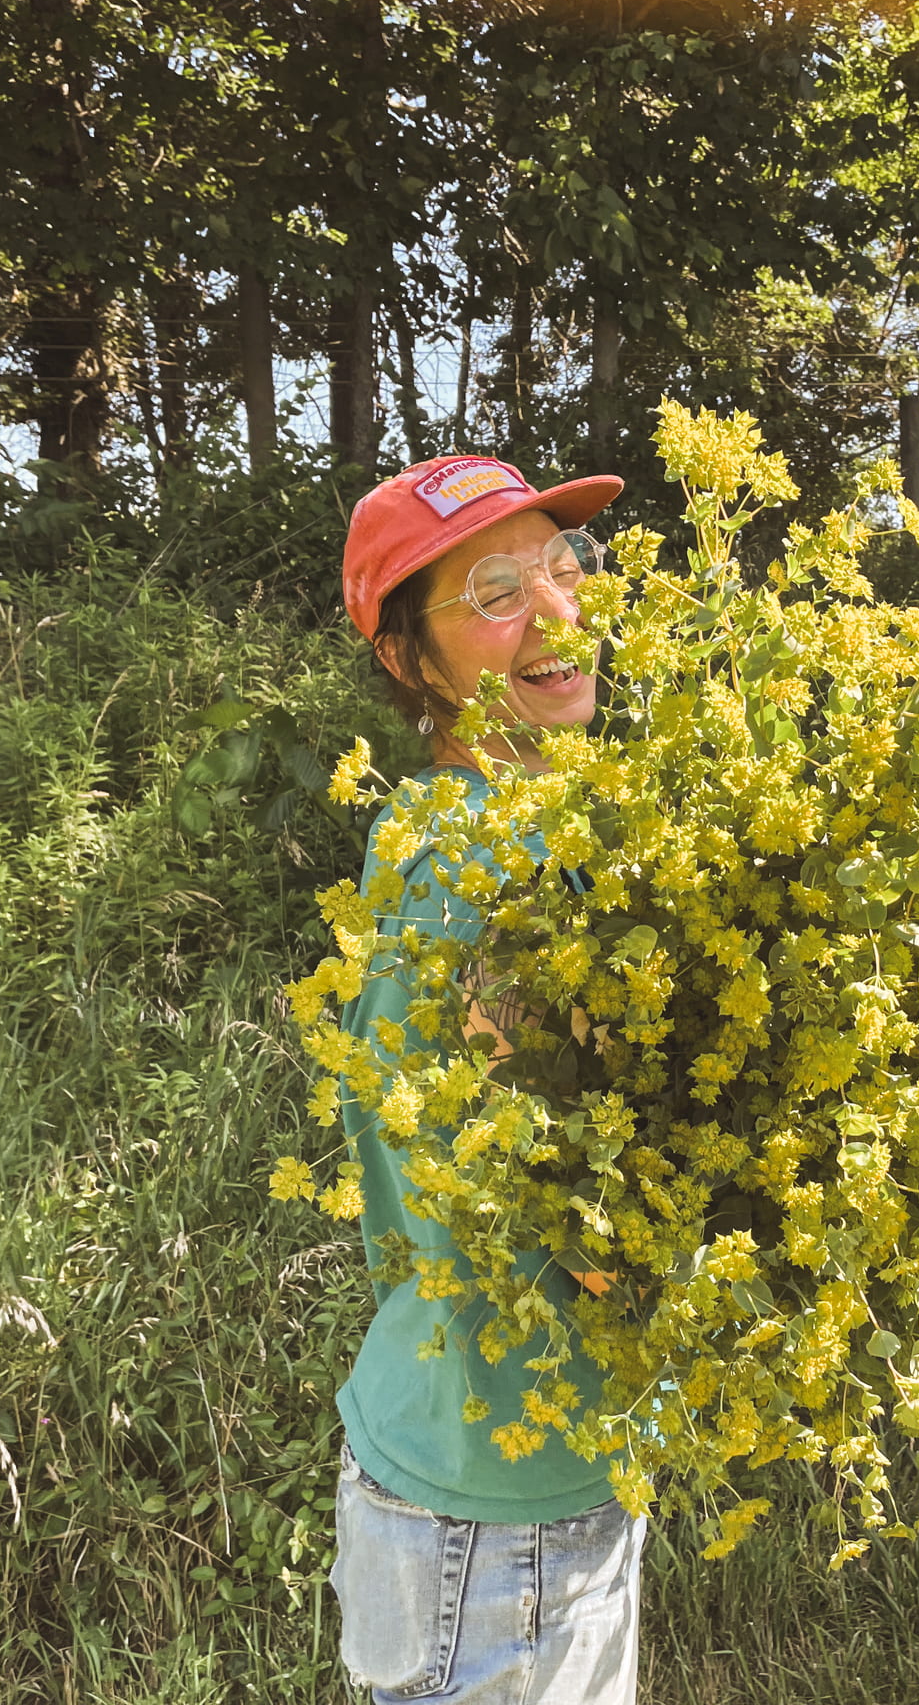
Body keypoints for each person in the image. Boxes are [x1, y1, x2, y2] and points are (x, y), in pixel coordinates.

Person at [327, 454, 643, 1705]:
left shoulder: (445, 820)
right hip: (502, 1501)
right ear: (412, 662)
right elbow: (561, 1190)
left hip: (492, 1456)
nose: (556, 610)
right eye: (495, 590)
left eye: (567, 568)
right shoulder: (478, 858)